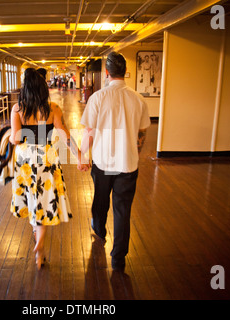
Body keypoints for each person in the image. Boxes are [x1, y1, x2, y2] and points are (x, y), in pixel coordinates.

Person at [9, 68, 90, 270]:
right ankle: (40, 244)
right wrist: (80, 157)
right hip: (46, 157)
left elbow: (16, 138)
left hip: (25, 159)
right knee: (43, 200)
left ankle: (39, 245)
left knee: (31, 197)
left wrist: (11, 136)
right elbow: (65, 137)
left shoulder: (17, 109)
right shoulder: (53, 108)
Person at [80, 51, 150, 271]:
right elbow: (142, 133)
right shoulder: (138, 99)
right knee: (123, 210)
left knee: (101, 201)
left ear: (107, 72)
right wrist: (133, 154)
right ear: (125, 72)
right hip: (128, 165)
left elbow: (89, 131)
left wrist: (83, 156)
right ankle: (118, 258)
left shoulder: (97, 98)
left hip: (103, 164)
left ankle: (99, 231)